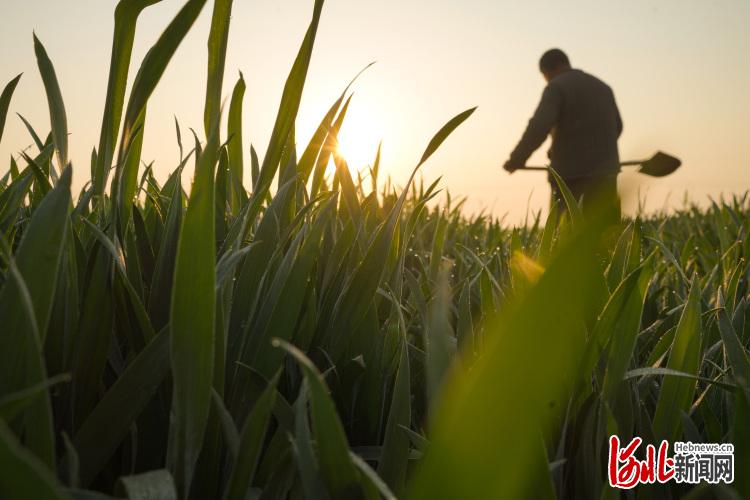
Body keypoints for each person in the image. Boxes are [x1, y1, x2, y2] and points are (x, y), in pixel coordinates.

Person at [503, 49, 622, 218]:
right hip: (606, 175)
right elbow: (617, 126)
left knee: (568, 233)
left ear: (546, 71)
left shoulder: (556, 87)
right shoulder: (603, 87)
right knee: (605, 234)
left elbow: (539, 126)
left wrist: (517, 159)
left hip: (570, 178)